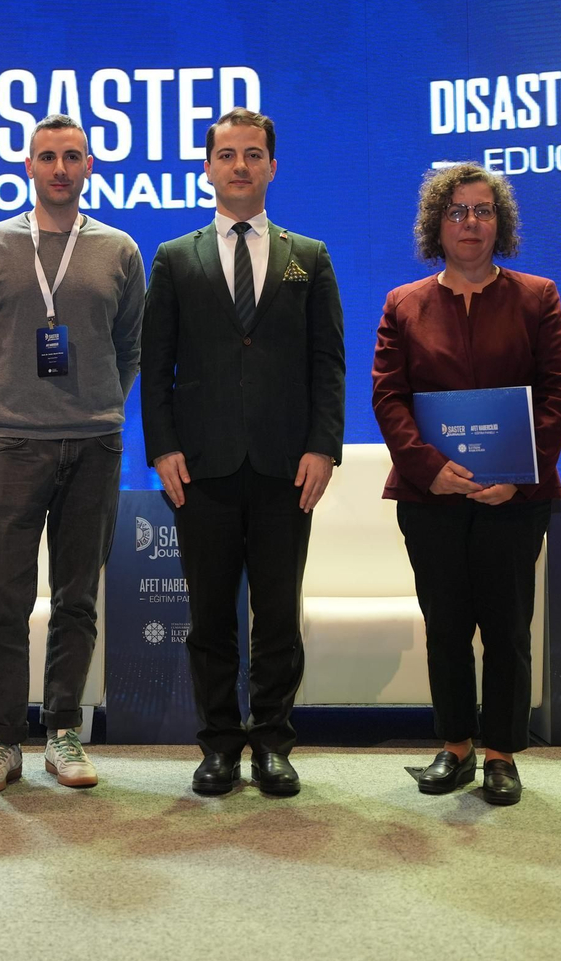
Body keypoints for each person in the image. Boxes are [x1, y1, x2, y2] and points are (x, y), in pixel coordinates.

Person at [140, 108, 344, 797]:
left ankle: (274, 743)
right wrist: (162, 447)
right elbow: (156, 364)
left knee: (279, 614)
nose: (240, 166)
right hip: (202, 467)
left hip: (288, 467)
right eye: (227, 154)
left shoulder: (309, 256)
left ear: (272, 167)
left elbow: (328, 362)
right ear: (208, 168)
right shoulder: (175, 257)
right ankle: (220, 744)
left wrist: (324, 447)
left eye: (253, 154)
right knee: (209, 618)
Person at [372, 162, 561, 806]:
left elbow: (559, 390)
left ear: (500, 222)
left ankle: (501, 754)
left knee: (508, 627)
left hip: (515, 500)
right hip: (429, 497)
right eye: (457, 211)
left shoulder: (537, 296)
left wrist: (517, 475)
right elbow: (389, 397)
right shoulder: (403, 303)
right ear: (436, 225)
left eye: (483, 210)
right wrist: (428, 468)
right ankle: (455, 746)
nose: (470, 222)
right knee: (446, 626)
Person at [0, 114, 145, 794]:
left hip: (95, 445)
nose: (59, 168)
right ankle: (1, 740)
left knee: (76, 598)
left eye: (71, 157)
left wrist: (96, 406)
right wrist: (6, 415)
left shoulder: (119, 248)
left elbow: (130, 348)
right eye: (47, 157)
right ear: (29, 166)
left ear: (89, 166)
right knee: (3, 599)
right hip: (14, 447)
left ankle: (63, 732)